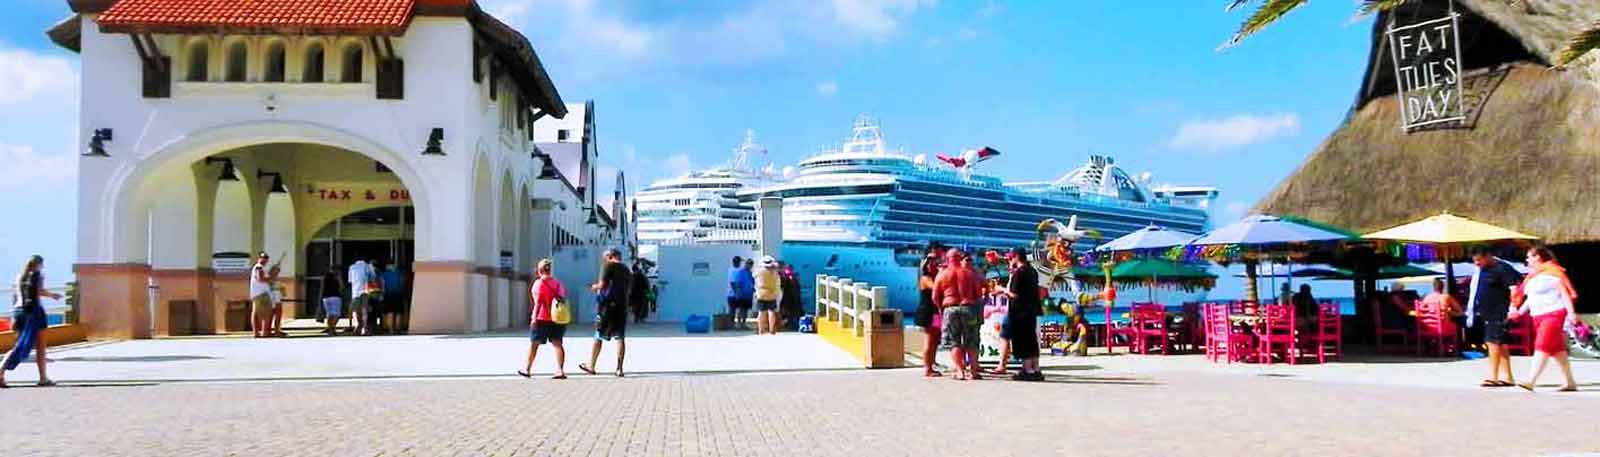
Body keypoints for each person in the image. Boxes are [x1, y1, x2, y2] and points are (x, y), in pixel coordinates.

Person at [1508, 246, 1580, 392]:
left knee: (1541, 345)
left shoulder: (1554, 272)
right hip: (1537, 316)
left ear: (1538, 257)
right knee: (1557, 350)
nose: (1527, 259)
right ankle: (1570, 382)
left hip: (1553, 314)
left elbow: (1565, 294)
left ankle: (1531, 380)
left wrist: (1571, 313)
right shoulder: (1531, 277)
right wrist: (1519, 312)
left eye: (1529, 256)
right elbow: (1531, 299)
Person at [1465, 247, 1522, 388]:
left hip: (1499, 311)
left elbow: (1514, 288)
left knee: (1493, 343)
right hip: (1487, 312)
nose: (1477, 263)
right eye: (1475, 261)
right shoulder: (1482, 270)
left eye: (1479, 260)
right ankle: (1508, 377)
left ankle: (1493, 376)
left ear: (1489, 255)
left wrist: (1513, 307)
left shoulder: (1502, 268)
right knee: (1501, 344)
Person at [2, 255, 62, 388]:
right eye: (42, 264)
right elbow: (38, 291)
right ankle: (43, 378)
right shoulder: (37, 274)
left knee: (19, 345)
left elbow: (15, 296)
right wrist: (53, 295)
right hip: (34, 312)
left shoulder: (19, 277)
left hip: (19, 312)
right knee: (41, 346)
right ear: (38, 264)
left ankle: (2, 373)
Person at [993, 247, 1044, 381]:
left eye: (1011, 257)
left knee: (1023, 340)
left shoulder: (1019, 273)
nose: (1010, 259)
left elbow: (1014, 294)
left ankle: (1027, 370)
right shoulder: (1032, 271)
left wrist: (1001, 289)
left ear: (1016, 257)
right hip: (1031, 310)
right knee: (1032, 339)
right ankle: (1035, 368)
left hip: (1019, 311)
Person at [933, 248, 983, 381]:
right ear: (959, 258)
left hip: (950, 308)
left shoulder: (942, 274)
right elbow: (978, 294)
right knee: (972, 342)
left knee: (954, 342)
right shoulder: (969, 273)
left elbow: (935, 296)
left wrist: (941, 308)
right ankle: (973, 371)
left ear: (947, 259)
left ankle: (960, 371)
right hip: (969, 309)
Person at [581, 248, 631, 377]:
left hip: (606, 306)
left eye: (605, 257)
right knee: (620, 337)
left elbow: (602, 285)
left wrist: (594, 287)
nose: (604, 259)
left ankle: (591, 365)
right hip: (622, 306)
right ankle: (619, 369)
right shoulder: (626, 270)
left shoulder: (607, 266)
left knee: (598, 335)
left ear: (610, 256)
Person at [520, 259, 569, 380]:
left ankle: (527, 369)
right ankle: (560, 370)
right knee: (558, 344)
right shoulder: (558, 283)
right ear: (549, 270)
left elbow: (537, 303)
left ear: (539, 270)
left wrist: (533, 318)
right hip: (557, 318)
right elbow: (563, 297)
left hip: (541, 317)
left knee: (534, 344)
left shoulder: (538, 284)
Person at [915, 249, 943, 377]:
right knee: (929, 340)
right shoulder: (926, 278)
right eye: (931, 263)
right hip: (927, 312)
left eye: (936, 262)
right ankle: (927, 368)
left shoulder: (935, 277)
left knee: (935, 339)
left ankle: (932, 363)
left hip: (935, 312)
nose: (934, 265)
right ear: (925, 265)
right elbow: (937, 288)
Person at [753, 256, 783, 335]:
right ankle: (772, 329)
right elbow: (778, 282)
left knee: (761, 313)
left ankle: (761, 330)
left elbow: (754, 277)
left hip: (761, 293)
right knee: (771, 312)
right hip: (772, 294)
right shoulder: (774, 272)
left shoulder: (759, 271)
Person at [249, 253, 275, 338]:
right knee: (266, 313)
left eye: (266, 258)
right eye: (262, 257)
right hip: (261, 294)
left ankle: (257, 333)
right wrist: (271, 277)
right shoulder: (258, 267)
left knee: (257, 313)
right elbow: (261, 279)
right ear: (259, 258)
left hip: (257, 293)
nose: (264, 259)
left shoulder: (259, 267)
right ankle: (265, 332)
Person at [347, 257, 375, 336]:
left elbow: (350, 281)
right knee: (364, 310)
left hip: (355, 292)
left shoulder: (351, 267)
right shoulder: (368, 266)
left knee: (356, 310)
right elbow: (373, 277)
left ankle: (358, 327)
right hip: (365, 291)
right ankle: (365, 328)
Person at [726, 256, 754, 330]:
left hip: (746, 294)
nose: (749, 265)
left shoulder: (748, 272)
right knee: (734, 310)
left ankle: (742, 324)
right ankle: (732, 325)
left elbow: (751, 281)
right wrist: (737, 293)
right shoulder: (738, 271)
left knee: (744, 310)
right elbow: (733, 283)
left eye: (751, 264)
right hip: (735, 294)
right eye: (748, 263)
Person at [380, 263, 406, 334]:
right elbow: (402, 283)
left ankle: (391, 330)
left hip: (388, 295)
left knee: (390, 312)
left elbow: (383, 285)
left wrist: (382, 295)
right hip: (398, 294)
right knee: (399, 312)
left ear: (388, 265)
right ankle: (398, 329)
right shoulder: (399, 273)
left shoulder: (384, 274)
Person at [319, 265, 344, 336]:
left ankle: (331, 329)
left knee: (329, 314)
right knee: (336, 314)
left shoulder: (325, 276)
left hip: (326, 298)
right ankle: (332, 328)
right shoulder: (337, 276)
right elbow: (341, 287)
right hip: (335, 297)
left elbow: (322, 287)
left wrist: (321, 298)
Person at [778, 262, 803, 331]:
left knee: (789, 312)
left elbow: (782, 286)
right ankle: (791, 323)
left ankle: (789, 323)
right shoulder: (793, 277)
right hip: (792, 297)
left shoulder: (786, 276)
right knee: (792, 312)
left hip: (788, 297)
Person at [267, 264, 287, 337]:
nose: (278, 271)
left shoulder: (275, 278)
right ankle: (271, 330)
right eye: (276, 270)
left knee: (278, 314)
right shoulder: (269, 278)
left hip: (277, 297)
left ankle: (277, 329)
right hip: (273, 297)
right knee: (274, 314)